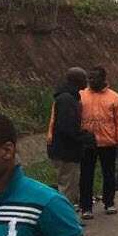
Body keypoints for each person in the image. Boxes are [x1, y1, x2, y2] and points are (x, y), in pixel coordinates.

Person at [79, 66, 118, 219]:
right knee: (86, 175)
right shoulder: (80, 95)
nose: (91, 81)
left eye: (94, 78)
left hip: (108, 142)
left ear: (103, 79)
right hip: (87, 143)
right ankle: (86, 207)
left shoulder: (115, 98)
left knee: (109, 174)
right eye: (89, 78)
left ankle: (109, 202)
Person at [47, 67, 95, 207]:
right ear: (76, 80)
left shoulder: (68, 97)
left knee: (69, 185)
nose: (86, 82)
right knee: (67, 187)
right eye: (84, 79)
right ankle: (65, 219)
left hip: (66, 149)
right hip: (65, 150)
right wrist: (84, 136)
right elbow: (67, 127)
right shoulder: (67, 99)